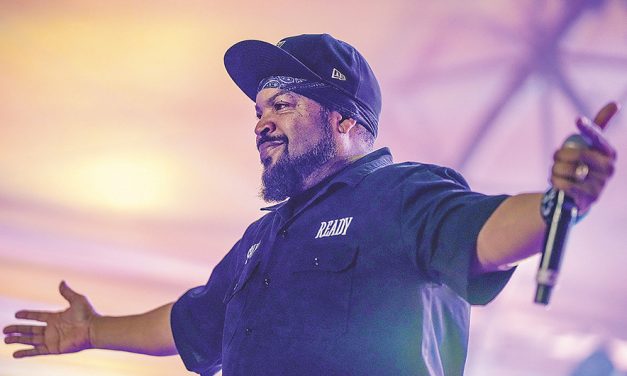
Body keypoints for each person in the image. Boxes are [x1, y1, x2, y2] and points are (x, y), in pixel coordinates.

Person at [2, 34, 618, 375]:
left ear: (346, 121)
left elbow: (481, 232)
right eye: (259, 109)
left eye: (284, 105)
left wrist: (556, 202)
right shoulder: (259, 240)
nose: (262, 123)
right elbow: (193, 323)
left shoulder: (400, 195)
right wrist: (93, 331)